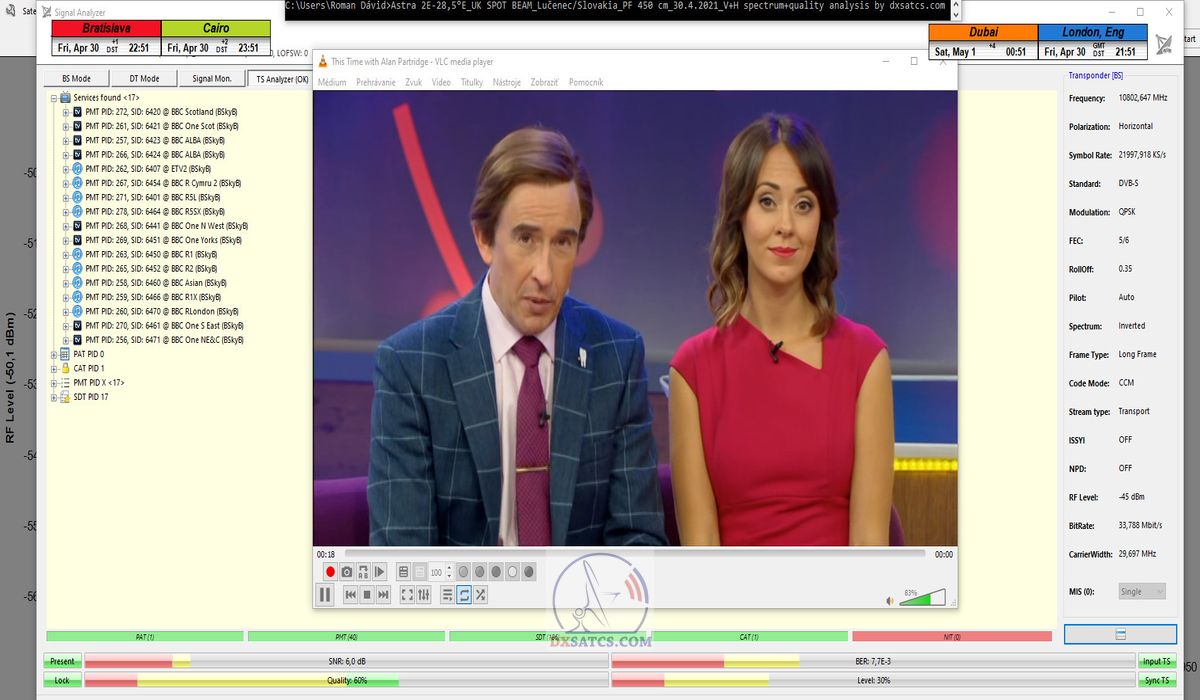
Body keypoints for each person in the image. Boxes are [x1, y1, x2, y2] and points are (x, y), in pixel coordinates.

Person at [369, 127, 667, 547]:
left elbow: (638, 540)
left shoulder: (616, 357)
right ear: (484, 238)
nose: (544, 273)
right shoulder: (411, 365)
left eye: (562, 243)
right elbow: (405, 560)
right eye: (526, 239)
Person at [669, 113, 895, 546]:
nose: (786, 225)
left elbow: (870, 546)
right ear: (739, 214)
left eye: (803, 205)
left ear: (820, 222)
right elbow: (701, 553)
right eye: (767, 201)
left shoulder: (865, 360)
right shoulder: (693, 370)